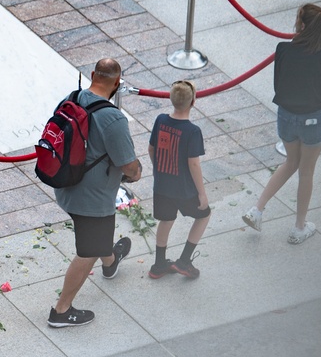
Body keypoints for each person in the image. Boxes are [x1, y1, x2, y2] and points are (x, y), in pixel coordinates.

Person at [243, 4, 321, 244]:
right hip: (312, 119)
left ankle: (257, 210)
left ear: (301, 25)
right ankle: (299, 227)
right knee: (306, 171)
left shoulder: (283, 49)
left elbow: (278, 85)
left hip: (286, 116)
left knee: (290, 162)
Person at [49, 59, 141, 328]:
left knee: (98, 236)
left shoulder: (72, 97)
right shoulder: (113, 119)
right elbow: (129, 165)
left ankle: (110, 261)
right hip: (92, 198)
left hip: (65, 184)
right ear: (116, 84)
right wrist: (137, 172)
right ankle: (61, 311)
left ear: (92, 76)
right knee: (88, 250)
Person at [147, 80, 211, 280]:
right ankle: (184, 261)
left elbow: (151, 149)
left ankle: (158, 265)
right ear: (193, 102)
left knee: (166, 220)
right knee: (204, 215)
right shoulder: (192, 131)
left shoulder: (160, 120)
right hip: (184, 189)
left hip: (162, 185)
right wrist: (202, 193)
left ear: (170, 99)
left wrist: (159, 170)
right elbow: (193, 164)